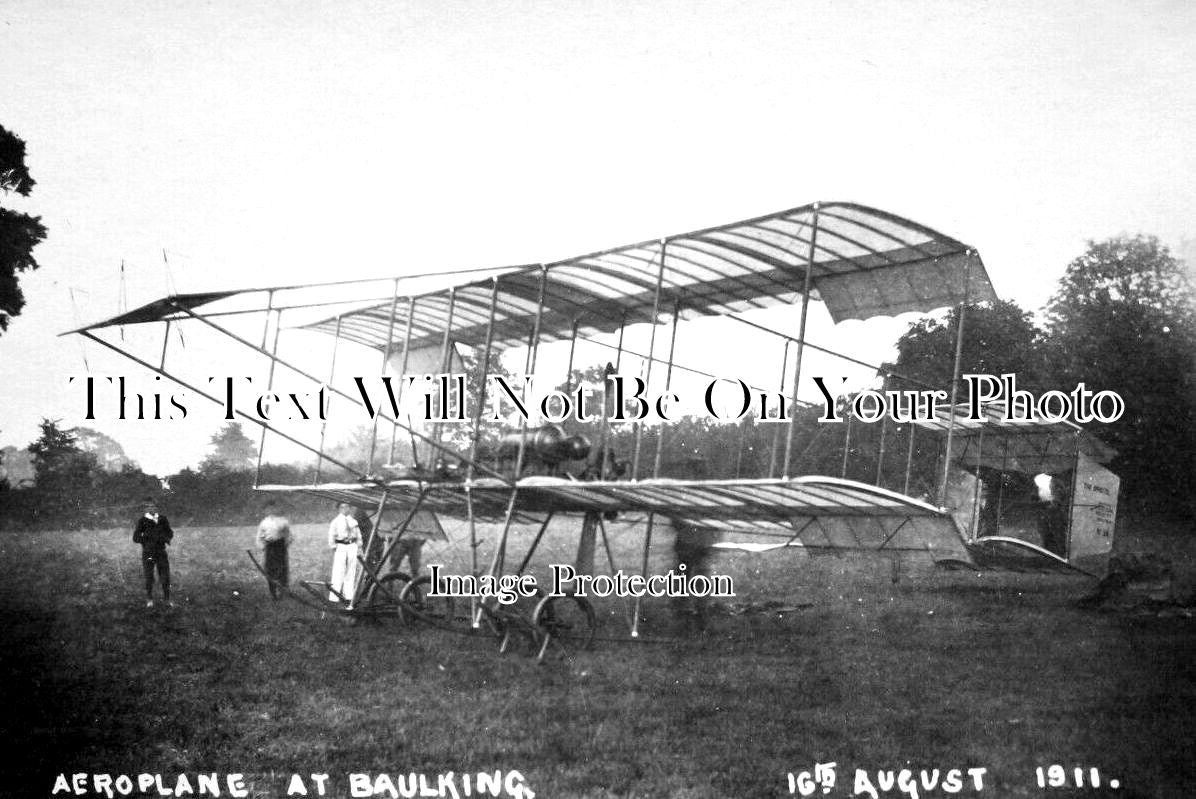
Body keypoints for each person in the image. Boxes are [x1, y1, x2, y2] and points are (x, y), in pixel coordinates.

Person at [133, 498, 174, 608]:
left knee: (165, 576)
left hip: (161, 552)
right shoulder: (142, 520)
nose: (151, 508)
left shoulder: (163, 519)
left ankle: (167, 600)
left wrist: (165, 538)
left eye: (153, 506)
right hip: (148, 553)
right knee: (149, 577)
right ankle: (149, 599)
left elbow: (170, 532)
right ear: (145, 508)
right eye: (148, 506)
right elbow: (135, 537)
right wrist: (146, 541)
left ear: (157, 507)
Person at [327, 501, 362, 606]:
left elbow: (358, 535)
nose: (345, 509)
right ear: (339, 509)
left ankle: (349, 596)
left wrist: (359, 545)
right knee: (338, 571)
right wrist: (334, 547)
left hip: (352, 546)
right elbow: (331, 535)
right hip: (341, 546)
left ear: (350, 508)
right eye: (342, 507)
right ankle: (334, 597)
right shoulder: (335, 521)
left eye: (347, 507)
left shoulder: (354, 521)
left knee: (351, 571)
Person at [257, 501, 292, 600]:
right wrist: (263, 546)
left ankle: (282, 592)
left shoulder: (283, 521)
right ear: (266, 510)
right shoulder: (264, 522)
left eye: (274, 508)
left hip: (280, 547)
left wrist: (285, 545)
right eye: (269, 508)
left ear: (277, 509)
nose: (271, 510)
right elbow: (259, 536)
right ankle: (273, 593)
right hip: (269, 547)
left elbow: (289, 535)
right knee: (270, 570)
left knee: (282, 570)